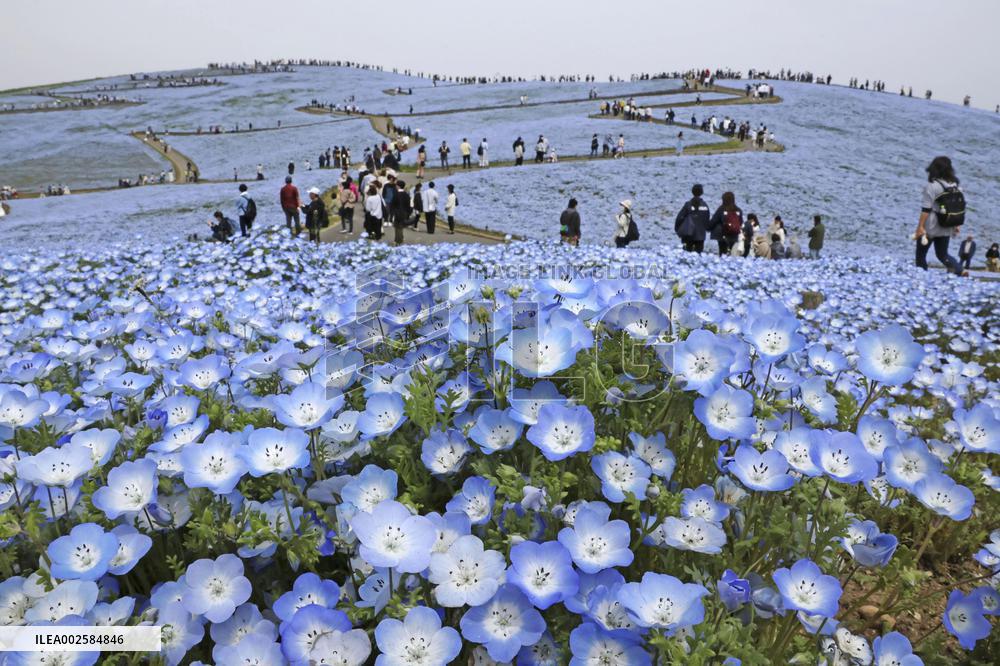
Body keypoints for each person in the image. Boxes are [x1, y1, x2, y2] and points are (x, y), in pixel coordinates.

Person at [915, 156, 965, 275]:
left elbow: (926, 209)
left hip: (931, 225)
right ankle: (959, 270)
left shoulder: (932, 186)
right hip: (947, 224)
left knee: (921, 255)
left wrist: (920, 227)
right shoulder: (955, 185)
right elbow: (959, 206)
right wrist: (957, 225)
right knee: (942, 254)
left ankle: (922, 277)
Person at [674, 184, 710, 252]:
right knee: (699, 255)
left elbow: (680, 218)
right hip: (701, 235)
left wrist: (677, 229)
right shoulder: (705, 205)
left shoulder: (688, 205)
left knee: (688, 253)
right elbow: (707, 219)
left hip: (688, 234)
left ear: (692, 192)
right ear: (702, 192)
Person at [708, 191, 743, 256]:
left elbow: (714, 221)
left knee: (722, 252)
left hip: (723, 235)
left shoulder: (721, 209)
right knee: (731, 251)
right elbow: (740, 223)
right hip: (734, 235)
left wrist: (707, 228)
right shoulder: (738, 210)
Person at [392, 179, 412, 245]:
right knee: (401, 226)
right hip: (404, 213)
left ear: (398, 186)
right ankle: (399, 239)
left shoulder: (396, 194)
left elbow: (393, 204)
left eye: (396, 185)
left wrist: (393, 212)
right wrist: (408, 213)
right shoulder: (406, 195)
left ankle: (398, 241)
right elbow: (408, 205)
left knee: (397, 227)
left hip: (397, 212)